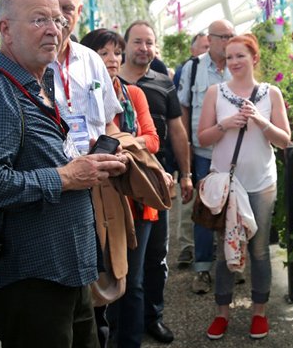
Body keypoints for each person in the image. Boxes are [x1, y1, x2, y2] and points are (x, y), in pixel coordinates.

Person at [0, 0, 127, 347]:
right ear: (5, 29)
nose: (54, 29)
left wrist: (86, 164)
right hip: (30, 281)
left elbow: (45, 157)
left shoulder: (36, 83)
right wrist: (64, 177)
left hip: (64, 271)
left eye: (59, 20)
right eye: (38, 20)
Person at [195, 34, 291, 341]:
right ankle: (222, 312)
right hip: (227, 186)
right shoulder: (216, 92)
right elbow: (202, 138)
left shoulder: (270, 93)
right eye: (229, 57)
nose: (234, 62)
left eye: (241, 56)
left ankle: (259, 312)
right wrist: (226, 124)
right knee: (225, 251)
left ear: (254, 59)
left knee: (260, 250)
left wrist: (260, 121)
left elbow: (284, 140)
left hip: (261, 184)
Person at [80, 28, 161, 348]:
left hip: (136, 197)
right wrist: (128, 145)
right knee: (101, 277)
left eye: (116, 53)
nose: (112, 60)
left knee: (133, 278)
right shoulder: (85, 91)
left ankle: (128, 341)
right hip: (99, 196)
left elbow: (153, 140)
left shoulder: (132, 94)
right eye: (104, 53)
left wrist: (122, 147)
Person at [116, 20, 193, 346]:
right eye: (138, 42)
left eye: (149, 42)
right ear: (125, 45)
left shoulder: (164, 83)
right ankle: (123, 327)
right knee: (125, 262)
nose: (144, 48)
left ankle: (153, 317)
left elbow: (177, 131)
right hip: (120, 185)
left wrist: (186, 174)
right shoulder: (109, 81)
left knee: (156, 258)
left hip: (156, 183)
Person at [178, 20, 235, 294]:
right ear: (209, 39)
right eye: (222, 36)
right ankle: (202, 269)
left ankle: (232, 265)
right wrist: (186, 148)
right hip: (203, 154)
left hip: (234, 154)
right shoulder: (194, 68)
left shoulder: (238, 66)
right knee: (204, 211)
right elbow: (184, 111)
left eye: (231, 36)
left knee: (235, 210)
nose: (227, 41)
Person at [40, 0, 122, 155]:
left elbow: (108, 123)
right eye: (52, 6)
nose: (59, 16)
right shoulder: (29, 63)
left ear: (79, 11)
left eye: (67, 8)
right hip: (52, 179)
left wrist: (115, 146)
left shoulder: (92, 60)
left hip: (95, 177)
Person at [171, 32, 210, 268]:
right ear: (193, 50)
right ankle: (187, 246)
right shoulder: (188, 70)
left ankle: (208, 247)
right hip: (193, 146)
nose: (208, 50)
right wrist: (185, 145)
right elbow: (180, 110)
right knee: (189, 197)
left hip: (215, 148)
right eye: (204, 46)